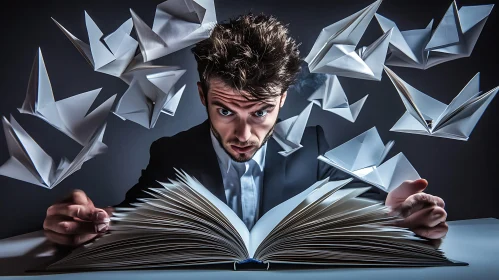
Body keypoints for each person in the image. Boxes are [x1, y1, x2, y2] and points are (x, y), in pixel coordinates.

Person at [43, 14, 448, 246]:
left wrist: (397, 212)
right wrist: (87, 218)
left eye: (261, 111)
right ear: (202, 96)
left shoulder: (311, 146)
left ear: (284, 100)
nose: (245, 134)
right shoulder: (171, 154)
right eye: (225, 109)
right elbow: (131, 216)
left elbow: (356, 206)